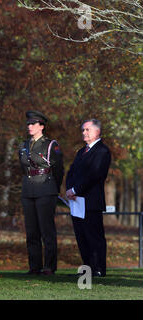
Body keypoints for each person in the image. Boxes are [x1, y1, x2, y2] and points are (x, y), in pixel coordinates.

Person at [18, 110, 64, 275]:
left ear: (42, 126)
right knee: (31, 231)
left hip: (46, 188)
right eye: (28, 124)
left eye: (33, 124)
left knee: (47, 230)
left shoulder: (51, 145)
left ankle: (49, 266)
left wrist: (53, 188)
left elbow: (59, 169)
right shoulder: (23, 145)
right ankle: (34, 266)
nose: (29, 126)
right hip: (28, 189)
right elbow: (23, 168)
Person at [66, 119, 111, 277]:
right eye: (83, 130)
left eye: (87, 130)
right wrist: (69, 189)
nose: (84, 133)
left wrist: (76, 189)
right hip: (77, 201)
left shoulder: (102, 151)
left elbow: (95, 174)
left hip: (91, 201)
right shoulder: (81, 152)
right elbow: (71, 172)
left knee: (94, 236)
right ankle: (88, 267)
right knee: (81, 235)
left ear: (97, 131)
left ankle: (98, 268)